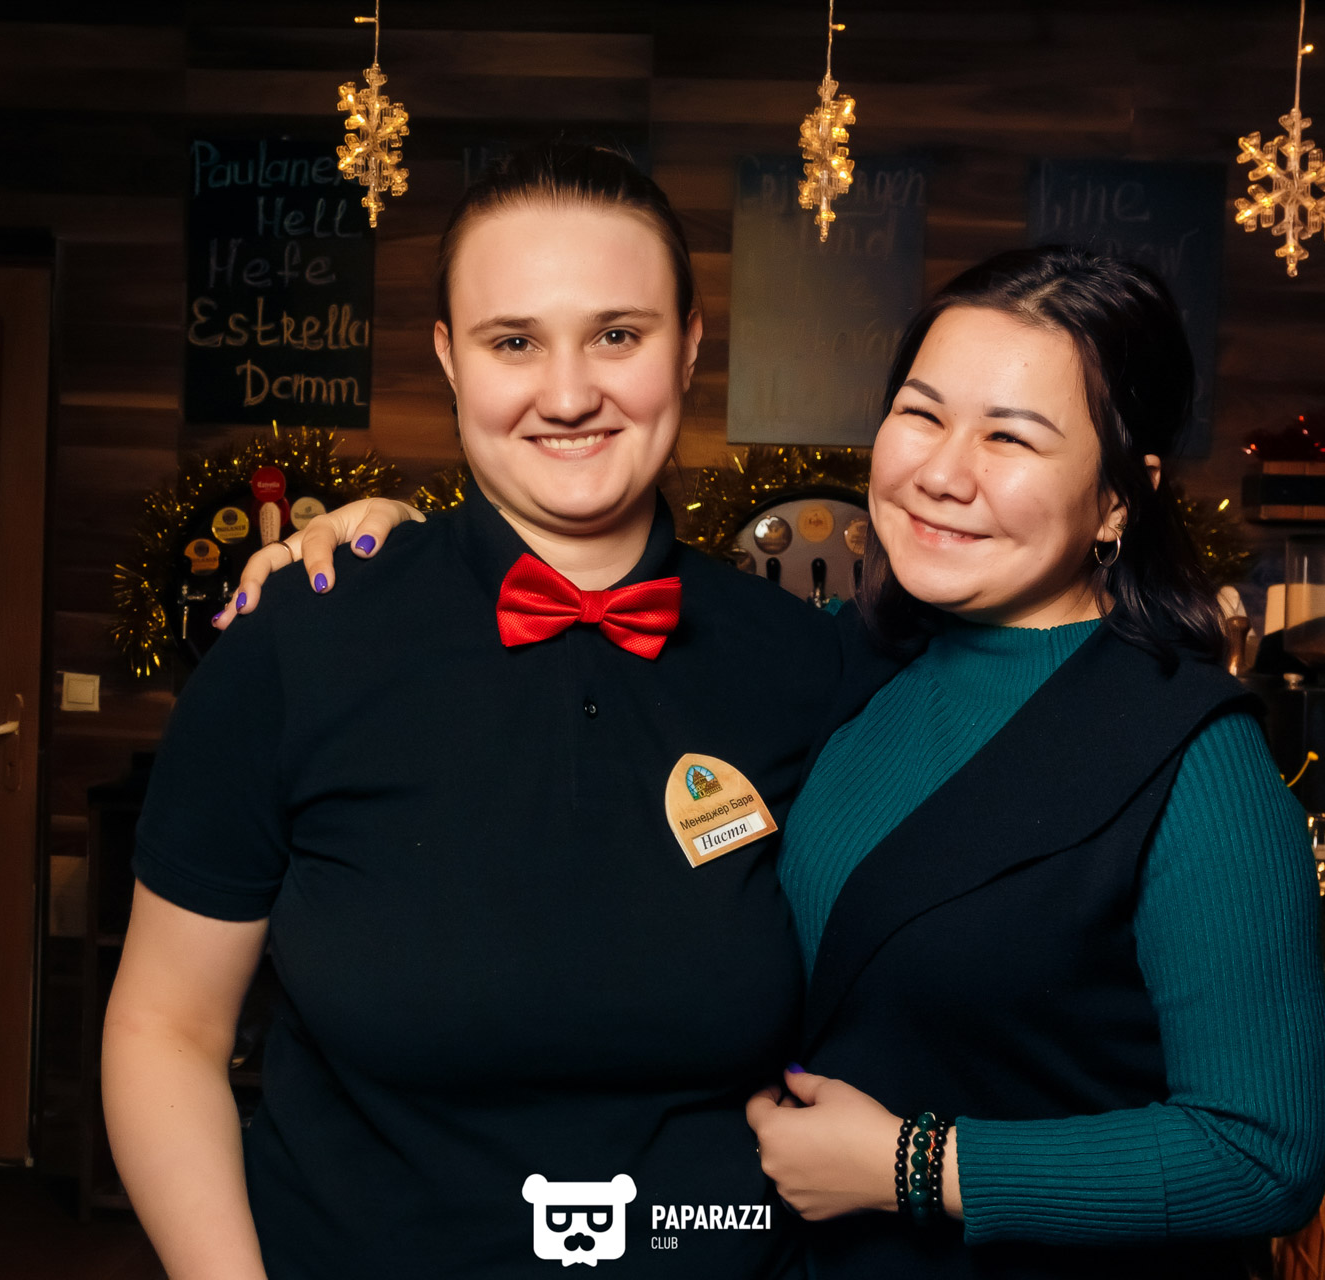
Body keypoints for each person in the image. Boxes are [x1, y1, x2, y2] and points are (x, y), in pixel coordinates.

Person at [240, 246, 1325, 1277]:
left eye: (1010, 439)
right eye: (921, 414)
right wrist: (407, 547)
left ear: (1119, 497)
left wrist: (916, 1165)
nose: (942, 472)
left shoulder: (1198, 761)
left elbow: (1263, 1154)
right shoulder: (837, 665)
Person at [103, 143, 893, 1279]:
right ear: (448, 360)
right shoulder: (301, 643)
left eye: (617, 335)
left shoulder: (803, 665)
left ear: (689, 346)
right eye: (513, 341)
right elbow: (165, 1029)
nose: (567, 395)